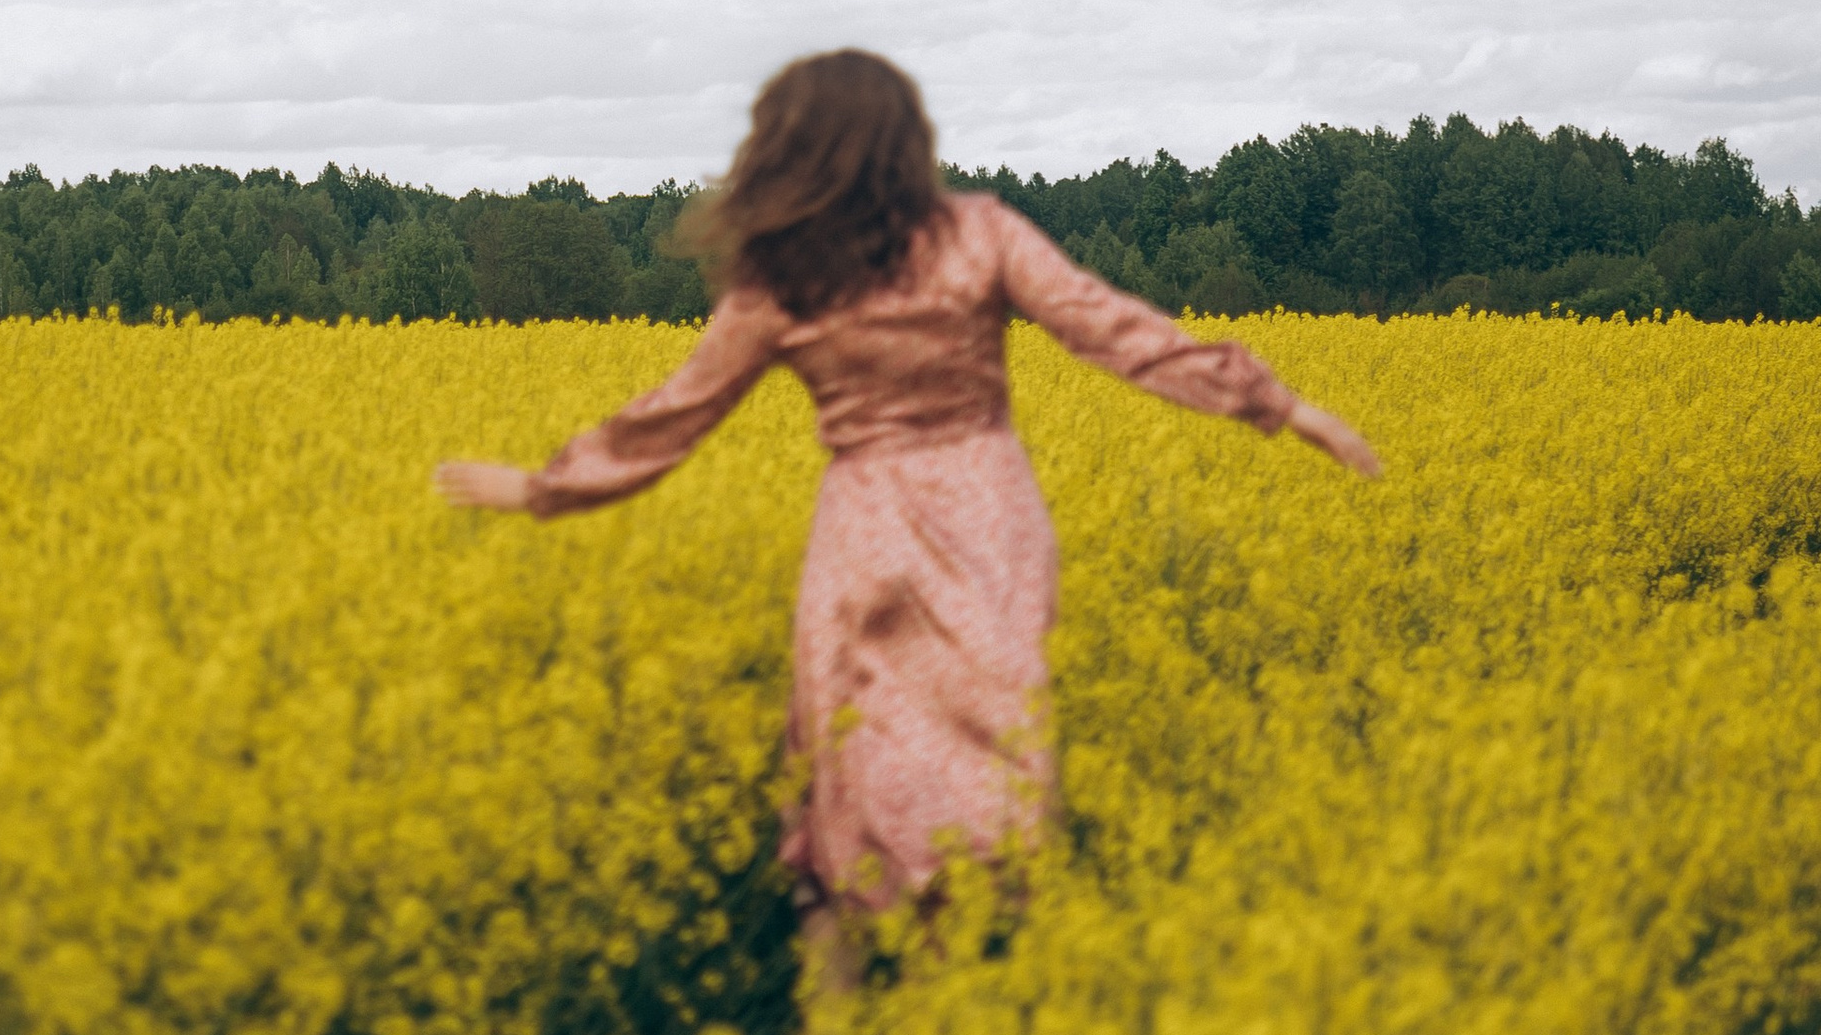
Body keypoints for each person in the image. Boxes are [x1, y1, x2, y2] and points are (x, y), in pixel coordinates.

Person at [435, 50, 1377, 960]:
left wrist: (546, 487)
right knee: (994, 743)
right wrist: (1278, 404)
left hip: (868, 526)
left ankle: (841, 1033)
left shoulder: (783, 280)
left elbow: (679, 411)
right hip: (988, 519)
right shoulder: (981, 233)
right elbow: (1110, 326)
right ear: (904, 141)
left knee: (848, 756)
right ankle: (988, 993)